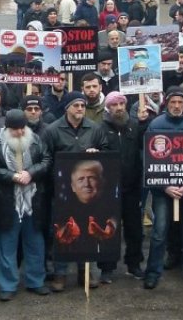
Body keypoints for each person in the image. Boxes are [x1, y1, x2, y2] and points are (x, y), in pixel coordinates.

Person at [0, 110, 52, 301]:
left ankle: (36, 281)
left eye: (23, 128)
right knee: (6, 245)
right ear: (7, 129)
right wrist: (12, 176)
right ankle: (7, 285)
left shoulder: (36, 139)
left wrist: (30, 173)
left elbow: (46, 161)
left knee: (36, 244)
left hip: (33, 201)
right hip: (6, 201)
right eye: (15, 130)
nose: (20, 133)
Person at [42, 92, 109, 292]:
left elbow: (106, 152)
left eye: (82, 105)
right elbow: (46, 158)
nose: (80, 108)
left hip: (88, 191)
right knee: (62, 231)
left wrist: (98, 154)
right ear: (66, 108)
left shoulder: (94, 129)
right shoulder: (53, 130)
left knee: (87, 229)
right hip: (61, 189)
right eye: (76, 105)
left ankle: (85, 271)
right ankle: (60, 273)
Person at [143, 87, 183, 290]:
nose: (177, 106)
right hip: (163, 190)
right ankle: (152, 272)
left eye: (181, 102)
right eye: (173, 102)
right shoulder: (156, 124)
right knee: (159, 231)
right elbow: (149, 159)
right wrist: (166, 185)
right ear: (167, 103)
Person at [97, 92, 147, 283]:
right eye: (114, 104)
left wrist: (144, 123)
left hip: (132, 187)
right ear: (108, 108)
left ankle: (134, 265)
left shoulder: (134, 126)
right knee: (108, 229)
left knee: (135, 229)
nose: (119, 107)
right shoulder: (99, 129)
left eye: (121, 103)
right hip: (108, 189)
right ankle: (106, 268)